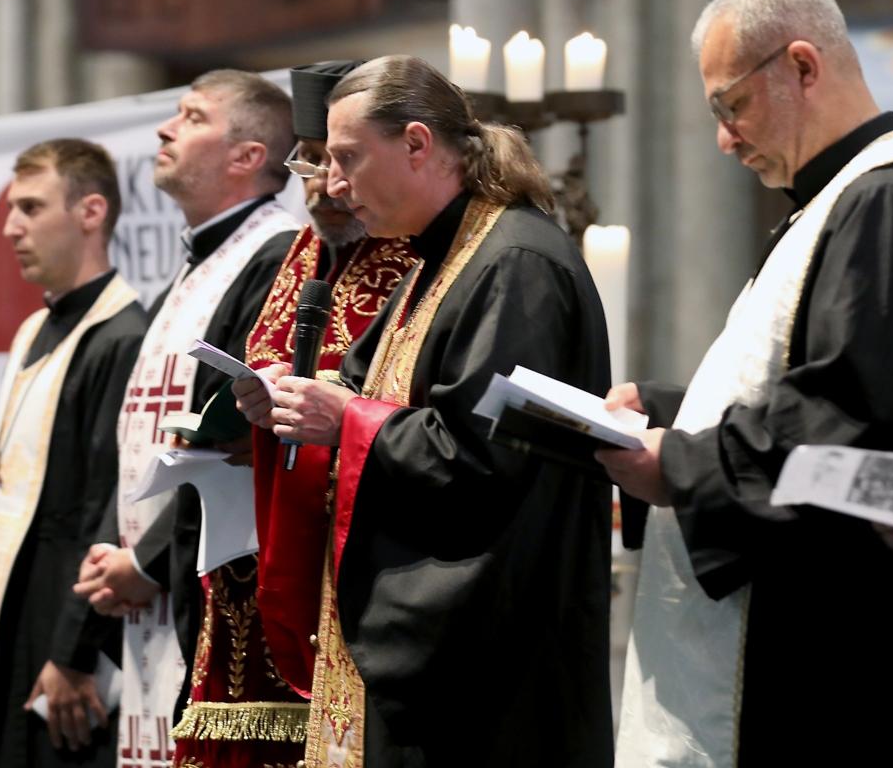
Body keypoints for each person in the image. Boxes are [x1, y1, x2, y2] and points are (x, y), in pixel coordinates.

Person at [593, 0, 893, 765]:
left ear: (803, 67)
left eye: (729, 105)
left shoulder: (884, 205)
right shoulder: (837, 204)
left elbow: (853, 432)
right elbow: (805, 388)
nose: (723, 138)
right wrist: (672, 410)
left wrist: (676, 465)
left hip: (836, 665)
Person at [239, 55, 614, 767]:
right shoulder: (433, 261)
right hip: (441, 651)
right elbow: (364, 387)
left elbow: (482, 455)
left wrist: (340, 420)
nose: (335, 184)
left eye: (348, 157)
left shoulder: (514, 263)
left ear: (417, 143)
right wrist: (287, 402)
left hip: (488, 665)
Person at [164, 59, 418, 767]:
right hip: (253, 558)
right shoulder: (300, 258)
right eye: (310, 164)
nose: (325, 190)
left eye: (341, 164)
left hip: (351, 568)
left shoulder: (414, 262)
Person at [72, 69, 301, 764]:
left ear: (246, 157)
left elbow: (229, 435)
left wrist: (144, 560)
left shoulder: (274, 256)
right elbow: (143, 433)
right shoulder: (195, 267)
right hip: (152, 593)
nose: (166, 130)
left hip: (202, 588)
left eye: (193, 116)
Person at [0, 139, 147, 767]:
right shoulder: (35, 327)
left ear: (91, 212)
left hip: (64, 627)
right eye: (13, 209)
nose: (11, 228)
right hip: (17, 602)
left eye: (31, 208)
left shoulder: (123, 336)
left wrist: (74, 650)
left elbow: (108, 505)